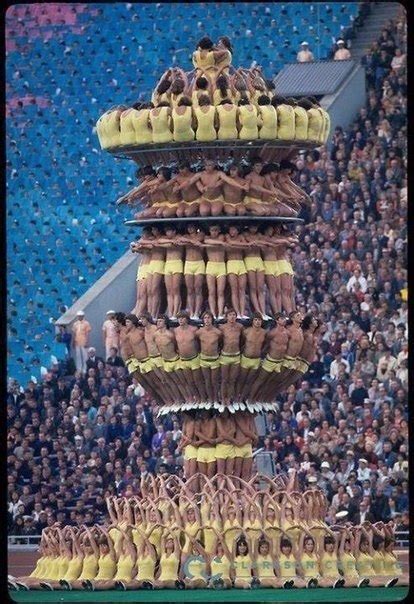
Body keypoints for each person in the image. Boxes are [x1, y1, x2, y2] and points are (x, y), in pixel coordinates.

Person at [174, 311, 207, 404]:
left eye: (182, 318)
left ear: (187, 319)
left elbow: (200, 341)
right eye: (179, 318)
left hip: (194, 358)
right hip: (183, 360)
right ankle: (196, 397)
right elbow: (174, 343)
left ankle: (203, 398)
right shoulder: (175, 331)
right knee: (189, 381)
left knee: (198, 381)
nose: (180, 320)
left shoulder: (194, 329)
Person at [236, 313, 267, 404]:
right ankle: (237, 397)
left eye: (259, 320)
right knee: (241, 379)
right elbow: (241, 343)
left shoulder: (264, 333)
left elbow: (266, 344)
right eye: (256, 320)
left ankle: (242, 398)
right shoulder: (246, 331)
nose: (258, 322)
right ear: (252, 321)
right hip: (246, 358)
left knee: (249, 380)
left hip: (256, 360)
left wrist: (261, 352)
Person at [178, 225, 205, 319]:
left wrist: (190, 242)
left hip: (199, 263)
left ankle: (197, 312)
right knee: (190, 290)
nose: (190, 228)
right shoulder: (186, 236)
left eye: (192, 226)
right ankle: (191, 311)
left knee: (198, 289)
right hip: (188, 263)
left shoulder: (200, 234)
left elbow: (199, 240)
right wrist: (191, 241)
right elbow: (180, 240)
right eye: (188, 227)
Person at [197, 311, 222, 404]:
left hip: (214, 359)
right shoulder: (199, 332)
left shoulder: (218, 332)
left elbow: (221, 343)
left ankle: (215, 399)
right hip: (204, 359)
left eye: (209, 318)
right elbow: (196, 344)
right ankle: (210, 399)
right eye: (205, 318)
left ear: (212, 319)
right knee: (207, 381)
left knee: (214, 381)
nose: (207, 320)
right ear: (203, 320)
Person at [219, 308, 243, 406]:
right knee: (224, 379)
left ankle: (229, 398)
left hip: (236, 356)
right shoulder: (222, 328)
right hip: (225, 355)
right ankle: (223, 398)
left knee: (232, 379)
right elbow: (219, 341)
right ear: (226, 317)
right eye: (230, 315)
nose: (232, 317)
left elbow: (242, 340)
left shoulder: (240, 327)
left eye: (234, 315)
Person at [243, 225, 267, 317]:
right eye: (252, 227)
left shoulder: (259, 235)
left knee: (260, 288)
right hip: (249, 260)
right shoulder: (244, 235)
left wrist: (257, 242)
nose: (254, 228)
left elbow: (264, 244)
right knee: (253, 288)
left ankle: (263, 311)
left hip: (258, 260)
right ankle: (258, 311)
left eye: (255, 227)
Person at [225, 226, 248, 319]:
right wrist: (239, 244)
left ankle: (242, 313)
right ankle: (237, 312)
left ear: (237, 230)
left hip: (241, 263)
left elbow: (246, 245)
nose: (232, 231)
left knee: (242, 290)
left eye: (234, 229)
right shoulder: (227, 236)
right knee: (234, 290)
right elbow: (229, 243)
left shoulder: (241, 237)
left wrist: (235, 244)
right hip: (231, 263)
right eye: (231, 229)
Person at [204, 224, 227, 319]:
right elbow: (206, 240)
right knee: (211, 291)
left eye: (216, 230)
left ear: (219, 231)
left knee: (220, 291)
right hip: (211, 265)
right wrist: (219, 243)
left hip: (221, 265)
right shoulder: (206, 237)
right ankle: (213, 313)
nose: (214, 232)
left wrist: (216, 243)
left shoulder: (222, 237)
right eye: (212, 230)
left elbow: (221, 241)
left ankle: (220, 313)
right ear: (209, 231)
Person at [71, 310, 91, 375]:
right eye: (78, 316)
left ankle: (85, 369)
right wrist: (73, 342)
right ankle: (79, 369)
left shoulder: (86, 323)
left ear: (83, 316)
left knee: (85, 356)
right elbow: (74, 333)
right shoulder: (75, 324)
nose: (79, 317)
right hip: (77, 341)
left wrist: (87, 342)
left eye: (80, 316)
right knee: (78, 356)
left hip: (84, 341)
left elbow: (87, 333)